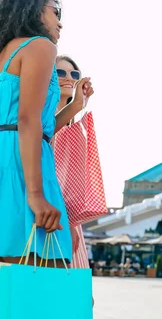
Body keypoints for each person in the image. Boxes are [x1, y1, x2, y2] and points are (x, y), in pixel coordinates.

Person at [0, 0, 72, 266]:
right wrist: (36, 195)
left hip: (9, 154)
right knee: (46, 276)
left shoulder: (6, 54)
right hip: (23, 166)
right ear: (33, 9)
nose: (59, 22)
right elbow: (28, 120)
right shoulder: (39, 47)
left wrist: (74, 106)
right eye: (54, 11)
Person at [54, 55, 95, 269]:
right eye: (60, 72)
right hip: (51, 210)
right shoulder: (42, 117)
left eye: (74, 74)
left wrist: (81, 104)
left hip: (69, 216)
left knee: (77, 292)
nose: (68, 78)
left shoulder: (72, 124)